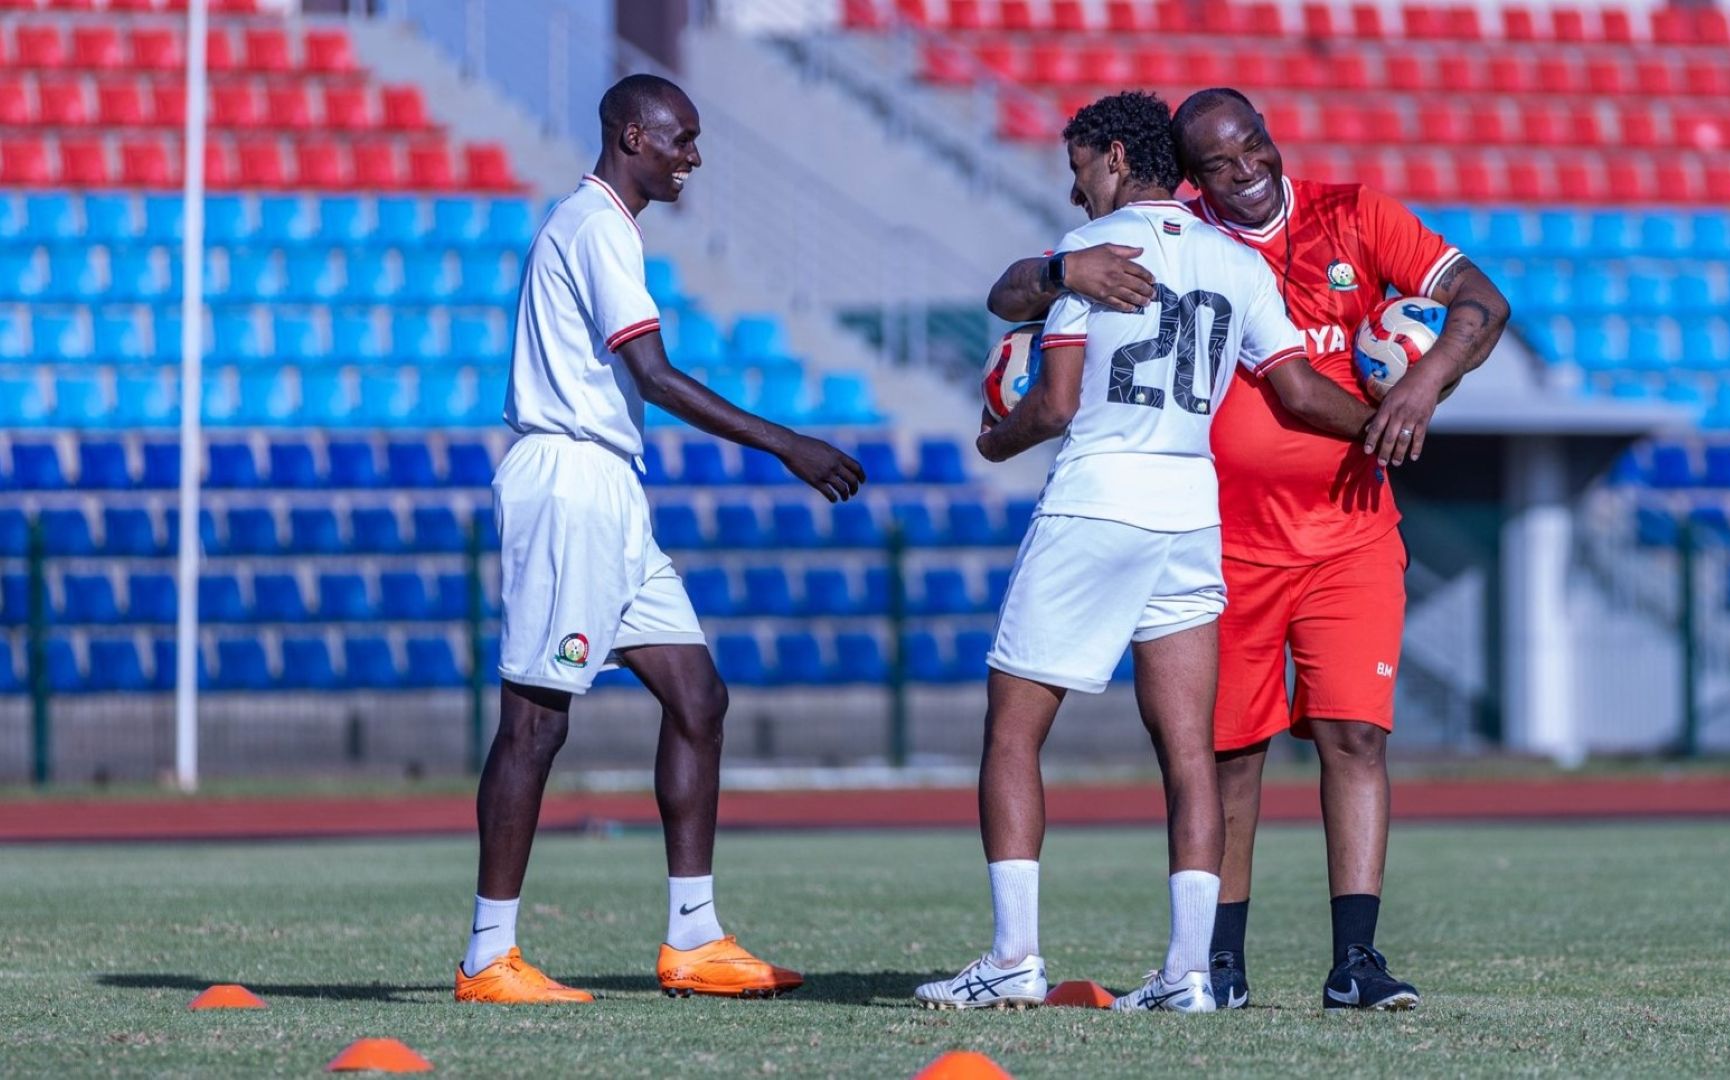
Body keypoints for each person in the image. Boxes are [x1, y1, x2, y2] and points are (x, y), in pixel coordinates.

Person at [986, 87, 1510, 1012]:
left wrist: (1417, 393)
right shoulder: (1191, 239)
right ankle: (1215, 965)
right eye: (1222, 163)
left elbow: (1479, 304)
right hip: (1225, 536)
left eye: (1256, 146)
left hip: (1345, 531)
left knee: (1355, 737)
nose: (1249, 169)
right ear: (1192, 177)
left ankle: (1356, 961)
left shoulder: (1354, 216)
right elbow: (1298, 390)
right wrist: (1065, 275)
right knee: (1226, 753)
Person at [454, 73, 866, 1005]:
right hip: (568, 484)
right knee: (536, 722)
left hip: (611, 492)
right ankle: (488, 956)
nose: (694, 157)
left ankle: (693, 938)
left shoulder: (609, 227)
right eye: (681, 140)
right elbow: (655, 373)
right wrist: (786, 443)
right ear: (633, 134)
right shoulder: (596, 223)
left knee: (698, 697)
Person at [915, 91, 1314, 1015]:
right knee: (1189, 754)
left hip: (1097, 503)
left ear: (1117, 162)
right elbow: (1294, 387)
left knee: (1014, 730)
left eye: (1081, 165)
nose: (1075, 181)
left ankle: (1013, 958)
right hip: (1188, 511)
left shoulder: (1089, 264)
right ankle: (1188, 975)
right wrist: (1387, 416)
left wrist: (992, 441)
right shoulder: (1234, 259)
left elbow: (1051, 407)